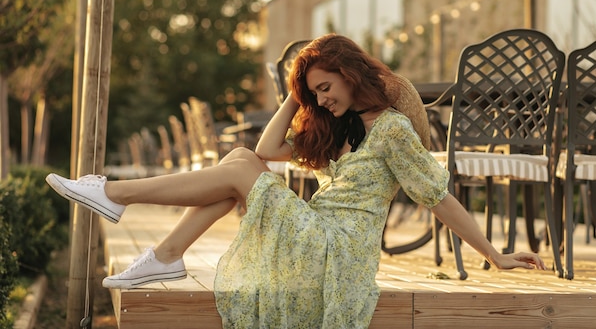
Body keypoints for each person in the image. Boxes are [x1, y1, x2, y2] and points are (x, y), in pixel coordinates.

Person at [46, 33, 547, 328]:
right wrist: (299, 90)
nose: (323, 99)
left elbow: (440, 199)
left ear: (351, 73)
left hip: (339, 251)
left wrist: (493, 255)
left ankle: (114, 195)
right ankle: (164, 255)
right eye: (317, 93)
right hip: (315, 233)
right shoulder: (344, 129)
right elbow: (268, 149)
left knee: (239, 165)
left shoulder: (392, 131)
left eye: (327, 87)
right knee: (241, 163)